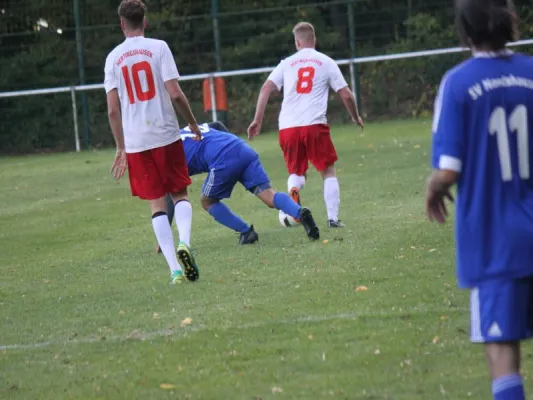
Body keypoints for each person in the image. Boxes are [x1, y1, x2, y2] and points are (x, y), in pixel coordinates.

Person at [426, 0, 533, 398]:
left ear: (465, 33)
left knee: (502, 349)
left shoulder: (458, 83)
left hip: (495, 241)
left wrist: (433, 189)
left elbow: (449, 169)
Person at [104, 0, 201, 284]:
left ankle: (174, 270)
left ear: (122, 24)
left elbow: (112, 109)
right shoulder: (159, 47)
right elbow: (175, 94)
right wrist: (193, 123)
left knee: (156, 205)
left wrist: (121, 146)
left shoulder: (113, 58)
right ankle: (185, 242)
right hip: (165, 133)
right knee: (179, 194)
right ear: (144, 22)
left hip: (136, 141)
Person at [247, 22, 364, 228]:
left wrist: (257, 119)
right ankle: (333, 219)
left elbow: (266, 88)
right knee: (327, 172)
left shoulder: (287, 63)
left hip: (288, 128)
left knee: (297, 173)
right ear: (314, 40)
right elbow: (345, 94)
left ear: (297, 42)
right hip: (314, 125)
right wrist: (355, 116)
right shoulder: (325, 61)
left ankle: (294, 200)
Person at [157, 121, 319, 251]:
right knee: (269, 195)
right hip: (241, 148)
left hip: (222, 159)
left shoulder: (168, 152)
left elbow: (172, 196)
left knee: (207, 201)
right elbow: (218, 125)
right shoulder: (187, 129)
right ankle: (300, 213)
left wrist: (164, 235)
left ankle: (246, 232)